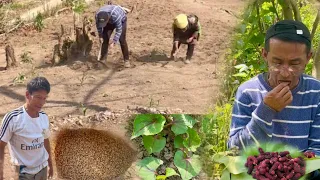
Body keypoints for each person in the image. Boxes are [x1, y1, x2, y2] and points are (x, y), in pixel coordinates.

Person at [227, 20, 320, 154]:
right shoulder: (247, 92)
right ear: (265, 54)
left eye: (294, 64)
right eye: (277, 62)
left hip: (303, 173)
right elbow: (235, 150)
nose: (285, 73)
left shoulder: (316, 92)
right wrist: (266, 110)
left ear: (308, 58)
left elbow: (317, 150)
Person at [0, 77, 53, 180]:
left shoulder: (44, 117)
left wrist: (50, 164)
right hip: (22, 173)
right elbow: (1, 145)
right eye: (38, 97)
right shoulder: (13, 118)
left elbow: (46, 141)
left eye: (44, 98)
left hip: (42, 169)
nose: (41, 102)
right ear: (27, 95)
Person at [95, 4, 131, 68]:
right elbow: (99, 27)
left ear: (108, 18)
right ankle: (103, 60)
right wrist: (100, 36)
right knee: (105, 38)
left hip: (121, 20)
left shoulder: (116, 16)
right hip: (109, 22)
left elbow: (119, 30)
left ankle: (126, 60)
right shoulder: (97, 15)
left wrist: (114, 41)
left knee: (121, 39)